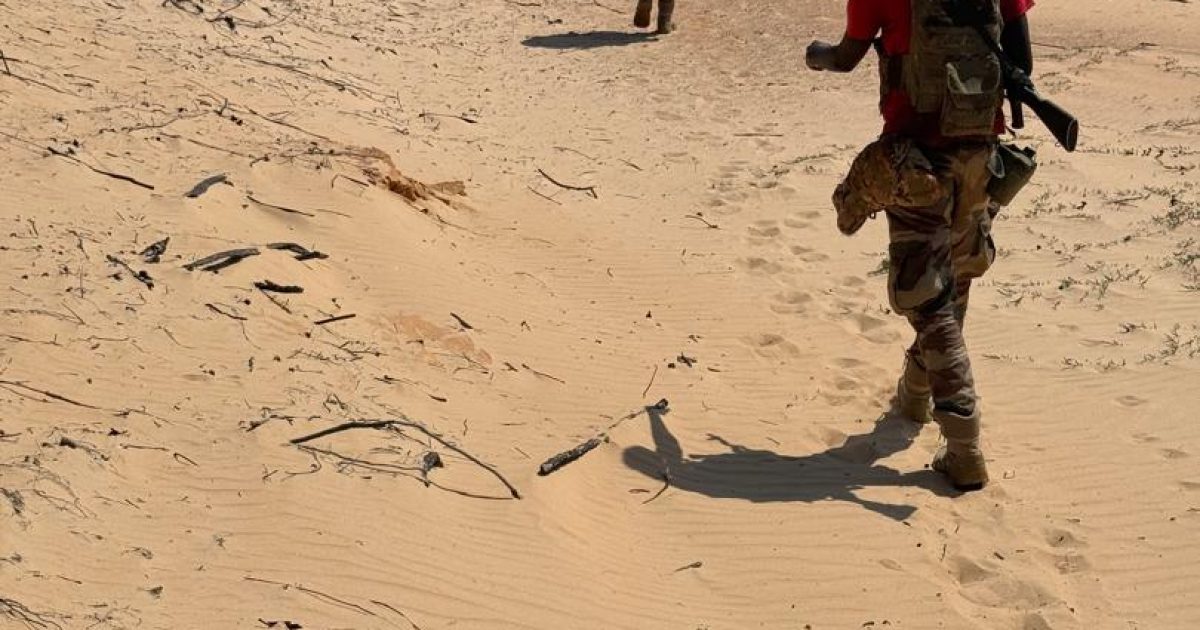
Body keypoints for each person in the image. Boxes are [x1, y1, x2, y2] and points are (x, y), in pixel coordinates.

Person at [805, 0, 1036, 491]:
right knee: (957, 277)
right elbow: (1022, 57)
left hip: (915, 159)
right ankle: (914, 393)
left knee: (927, 299)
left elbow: (845, 57)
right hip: (979, 151)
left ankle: (964, 445)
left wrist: (816, 55)